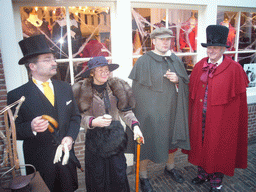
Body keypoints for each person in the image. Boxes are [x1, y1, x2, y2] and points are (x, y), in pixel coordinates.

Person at [7, 35, 81, 192]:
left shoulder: (65, 88)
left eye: (53, 59)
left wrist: (70, 137)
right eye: (47, 60)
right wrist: (31, 127)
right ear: (32, 66)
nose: (54, 63)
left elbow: (75, 117)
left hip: (66, 161)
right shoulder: (17, 95)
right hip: (39, 163)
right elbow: (11, 131)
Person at [186, 25, 249, 192]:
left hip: (221, 119)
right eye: (209, 47)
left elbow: (239, 102)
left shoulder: (234, 68)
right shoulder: (199, 66)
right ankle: (202, 173)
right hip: (200, 116)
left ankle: (216, 179)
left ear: (223, 49)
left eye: (215, 48)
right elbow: (191, 90)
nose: (211, 51)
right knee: (200, 144)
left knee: (218, 147)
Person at [129, 27, 190, 192]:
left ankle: (170, 167)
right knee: (147, 144)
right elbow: (137, 92)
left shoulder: (175, 59)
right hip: (149, 114)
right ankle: (143, 176)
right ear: (154, 41)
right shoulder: (143, 61)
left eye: (168, 39)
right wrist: (142, 115)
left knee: (171, 140)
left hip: (171, 111)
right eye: (161, 39)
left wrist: (178, 80)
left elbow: (186, 83)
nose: (165, 42)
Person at [72, 56, 144, 192]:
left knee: (118, 175)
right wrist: (92, 121)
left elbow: (126, 112)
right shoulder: (81, 90)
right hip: (94, 142)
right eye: (100, 70)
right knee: (97, 178)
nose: (105, 72)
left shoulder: (117, 87)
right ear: (92, 72)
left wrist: (135, 126)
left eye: (107, 69)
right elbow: (77, 116)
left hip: (115, 140)